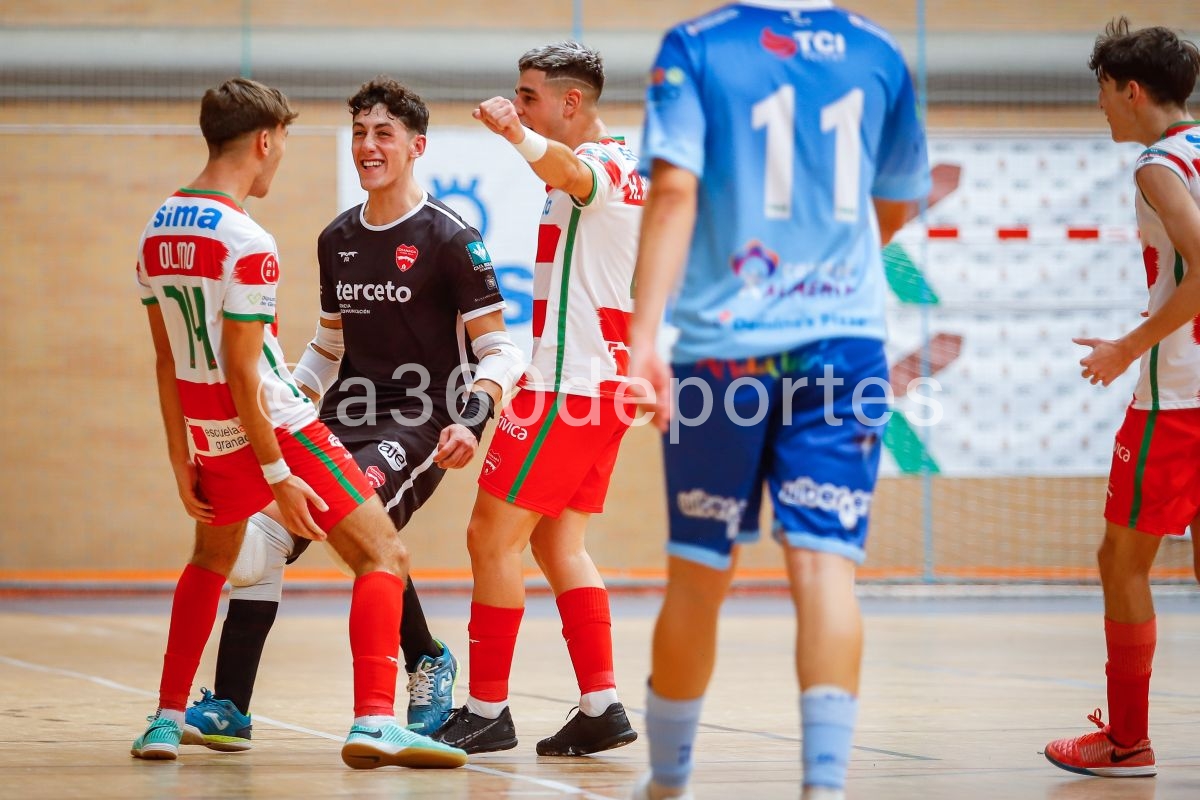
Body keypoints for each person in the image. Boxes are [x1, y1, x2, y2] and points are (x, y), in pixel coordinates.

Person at [626, 3, 930, 798]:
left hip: (723, 352)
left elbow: (671, 195)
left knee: (699, 568)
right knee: (826, 569)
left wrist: (642, 339)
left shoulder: (695, 45)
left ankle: (667, 782)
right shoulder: (879, 50)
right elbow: (891, 208)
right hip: (844, 342)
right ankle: (823, 788)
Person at [130, 76, 467, 770]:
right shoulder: (250, 241)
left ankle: (167, 719)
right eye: (282, 141)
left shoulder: (156, 228)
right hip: (277, 424)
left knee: (210, 561)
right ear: (263, 140)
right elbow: (248, 372)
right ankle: (375, 720)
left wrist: (180, 455)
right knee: (382, 554)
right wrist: (279, 472)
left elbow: (168, 363)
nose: (281, 155)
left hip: (206, 429)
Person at [430, 41, 643, 756]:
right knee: (557, 542)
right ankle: (602, 705)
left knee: (490, 536)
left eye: (528, 96)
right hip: (596, 385)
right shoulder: (619, 168)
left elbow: (570, 169)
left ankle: (488, 709)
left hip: (567, 387)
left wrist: (515, 134)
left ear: (569, 103)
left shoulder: (601, 166)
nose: (518, 105)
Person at [1044, 18, 1200, 779]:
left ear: (1131, 91)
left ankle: (1128, 742)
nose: (1102, 108)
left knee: (1121, 560)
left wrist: (1125, 349)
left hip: (1178, 401)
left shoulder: (1157, 165)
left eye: (1104, 93)